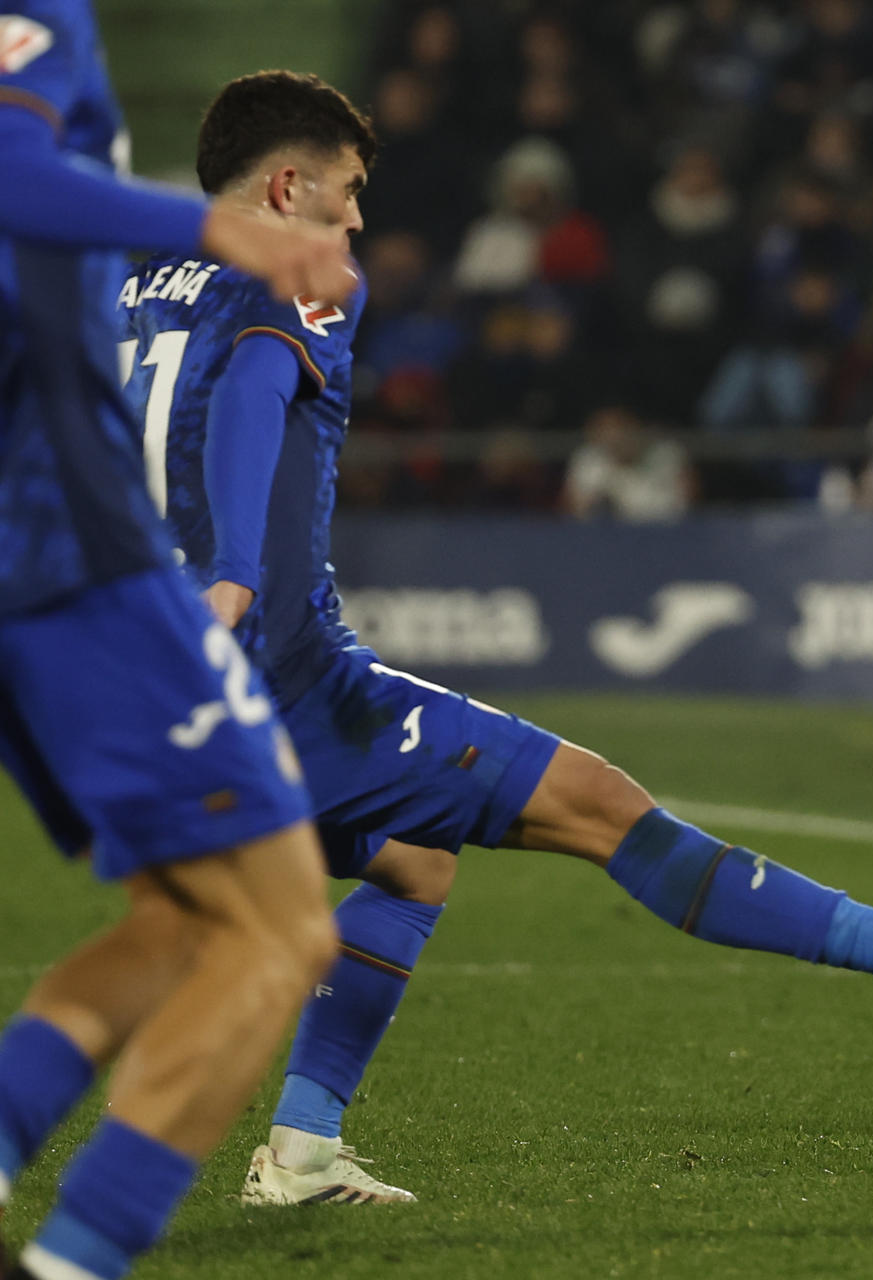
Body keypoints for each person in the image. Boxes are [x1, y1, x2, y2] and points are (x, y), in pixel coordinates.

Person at [123, 71, 873, 1209]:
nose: (357, 221)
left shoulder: (135, 281)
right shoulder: (299, 268)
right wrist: (236, 578)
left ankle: (301, 1155)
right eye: (346, 192)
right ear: (287, 187)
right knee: (600, 805)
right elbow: (254, 391)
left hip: (162, 676)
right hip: (281, 680)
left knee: (412, 858)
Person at [0, 5, 358, 1278]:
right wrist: (223, 228)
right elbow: (11, 179)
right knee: (275, 928)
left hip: (36, 554)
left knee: (180, 918)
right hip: (69, 544)